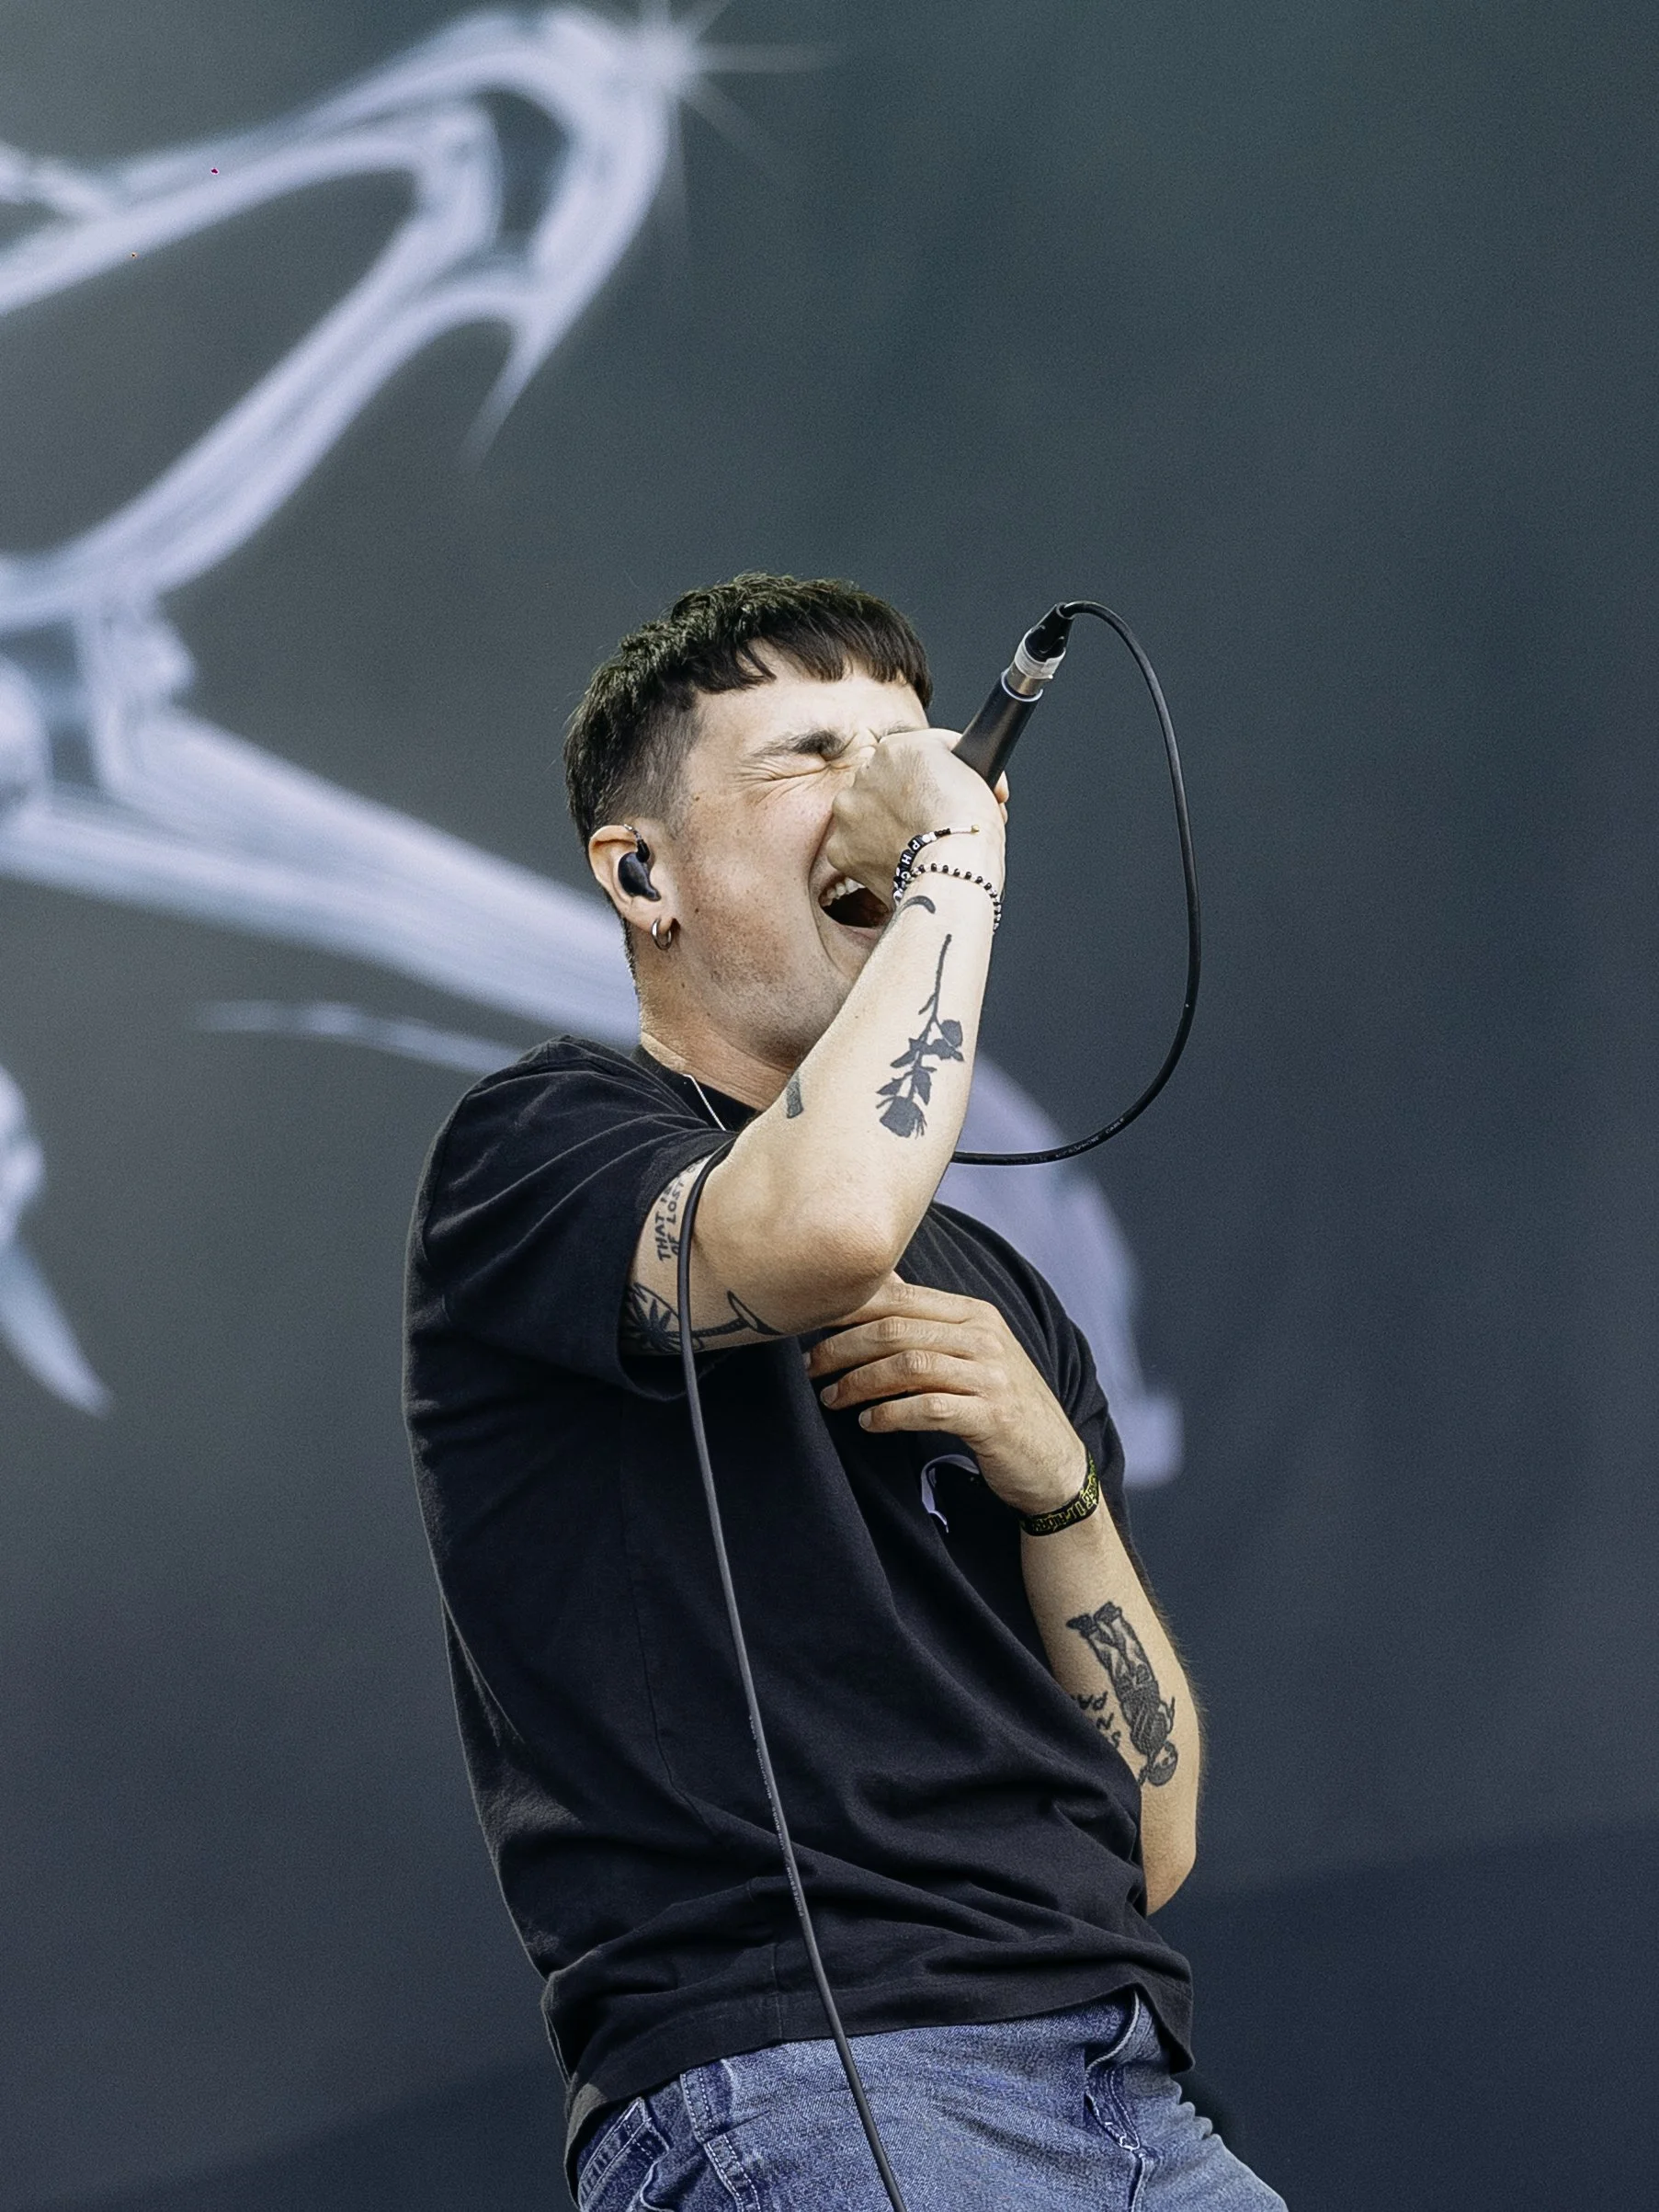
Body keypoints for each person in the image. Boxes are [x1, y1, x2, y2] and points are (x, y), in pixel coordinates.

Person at [403, 574, 1285, 2210]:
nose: (886, 789)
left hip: (1126, 2089)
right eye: (811, 754)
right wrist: (954, 854)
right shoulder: (539, 1146)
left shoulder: (1001, 1290)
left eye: (908, 747)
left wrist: (1060, 1491)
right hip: (814, 2074)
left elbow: (1145, 1845)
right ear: (642, 871)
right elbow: (811, 1230)